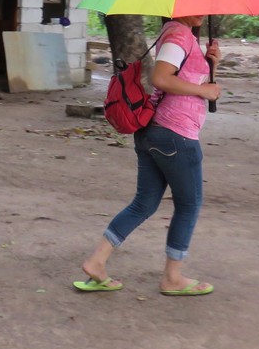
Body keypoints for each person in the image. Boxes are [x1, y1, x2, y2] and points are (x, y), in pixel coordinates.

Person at [77, 15, 222, 296]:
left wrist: (211, 65)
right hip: (175, 134)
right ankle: (172, 278)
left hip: (154, 132)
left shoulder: (179, 34)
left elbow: (182, 78)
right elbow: (160, 78)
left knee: (144, 203)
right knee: (188, 205)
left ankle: (97, 262)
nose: (201, 11)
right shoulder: (179, 34)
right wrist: (204, 90)